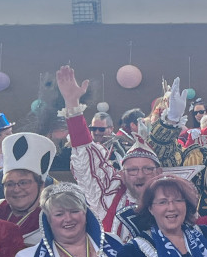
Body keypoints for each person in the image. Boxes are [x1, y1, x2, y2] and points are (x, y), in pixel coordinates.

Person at [59, 67, 163, 242]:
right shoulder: (110, 194)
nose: (140, 175)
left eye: (147, 169)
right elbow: (86, 158)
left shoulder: (173, 198)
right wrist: (72, 105)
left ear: (159, 173)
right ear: (121, 175)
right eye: (132, 170)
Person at [0, 132, 58, 245]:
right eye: (9, 184)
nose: (16, 189)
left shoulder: (53, 221)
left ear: (41, 185)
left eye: (23, 183)